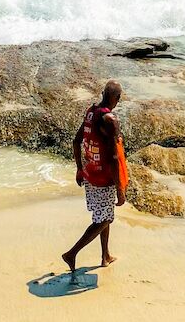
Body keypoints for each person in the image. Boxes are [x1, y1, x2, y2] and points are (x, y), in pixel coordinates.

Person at [62, 81, 128, 275]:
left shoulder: (91, 112)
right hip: (104, 179)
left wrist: (79, 169)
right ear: (118, 98)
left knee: (103, 215)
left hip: (90, 173)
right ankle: (71, 253)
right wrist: (120, 189)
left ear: (102, 93)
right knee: (104, 220)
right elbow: (115, 158)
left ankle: (105, 255)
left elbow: (76, 141)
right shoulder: (110, 120)